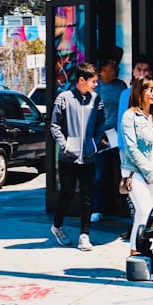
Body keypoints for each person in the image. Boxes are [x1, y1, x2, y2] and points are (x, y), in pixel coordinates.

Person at [50, 62, 106, 252]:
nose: (95, 85)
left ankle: (84, 234)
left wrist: (94, 144)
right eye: (93, 81)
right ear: (81, 80)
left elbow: (100, 124)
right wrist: (65, 146)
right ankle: (57, 226)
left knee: (87, 195)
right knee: (66, 192)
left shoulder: (96, 100)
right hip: (68, 157)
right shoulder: (63, 98)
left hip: (89, 156)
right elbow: (54, 125)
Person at [120, 75, 153, 256]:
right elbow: (131, 148)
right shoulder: (129, 116)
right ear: (139, 91)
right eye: (149, 89)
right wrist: (150, 172)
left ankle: (136, 252)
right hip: (134, 172)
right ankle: (142, 251)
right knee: (147, 211)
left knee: (143, 215)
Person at [91, 55, 127, 223]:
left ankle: (127, 206)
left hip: (119, 135)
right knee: (100, 174)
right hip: (102, 137)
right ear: (104, 68)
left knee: (124, 171)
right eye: (114, 66)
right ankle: (98, 208)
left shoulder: (121, 86)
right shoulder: (95, 87)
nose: (117, 69)